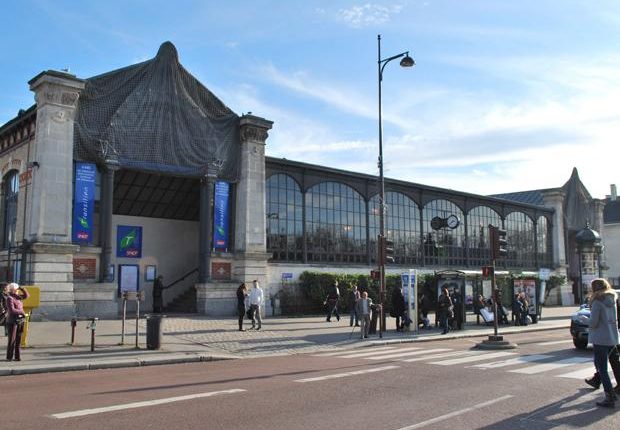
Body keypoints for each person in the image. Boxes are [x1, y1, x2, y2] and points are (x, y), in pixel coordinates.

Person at [587, 278, 619, 408]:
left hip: (600, 338)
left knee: (602, 369)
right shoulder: (612, 300)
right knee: (614, 363)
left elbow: (594, 322)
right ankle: (612, 392)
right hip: (612, 337)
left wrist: (587, 321)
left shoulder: (597, 302)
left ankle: (609, 396)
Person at [6, 283, 29, 361]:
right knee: (12, 340)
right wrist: (22, 312)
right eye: (17, 289)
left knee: (18, 339)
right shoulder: (10, 298)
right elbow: (11, 310)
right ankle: (9, 357)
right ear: (13, 290)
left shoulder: (18, 297)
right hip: (12, 321)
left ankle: (17, 357)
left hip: (20, 321)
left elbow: (27, 296)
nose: (18, 291)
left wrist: (21, 288)